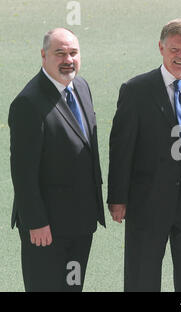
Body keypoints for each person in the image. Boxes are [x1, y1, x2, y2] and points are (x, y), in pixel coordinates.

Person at [107, 18, 181, 292]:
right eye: (174, 49)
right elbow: (121, 147)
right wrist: (118, 198)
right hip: (147, 203)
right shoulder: (136, 90)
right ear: (161, 48)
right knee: (142, 279)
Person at [8, 28, 105, 292]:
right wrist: (36, 222)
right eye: (60, 53)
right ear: (43, 56)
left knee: (72, 287)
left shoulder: (81, 87)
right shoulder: (28, 103)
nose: (68, 59)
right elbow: (23, 172)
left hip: (80, 222)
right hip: (46, 229)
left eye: (73, 53)